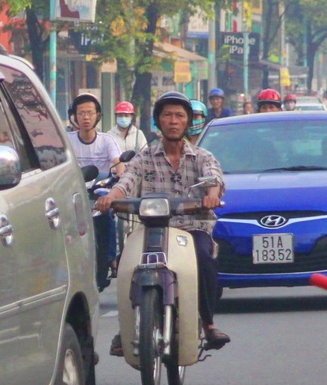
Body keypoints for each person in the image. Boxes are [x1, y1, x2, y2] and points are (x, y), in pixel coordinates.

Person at [96, 91, 229, 350]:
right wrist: (110, 197)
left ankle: (208, 324)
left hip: (192, 229)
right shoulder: (144, 158)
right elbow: (126, 182)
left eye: (179, 116)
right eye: (167, 115)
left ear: (188, 122)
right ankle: (127, 328)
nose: (173, 121)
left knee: (205, 259)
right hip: (151, 229)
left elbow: (213, 179)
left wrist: (212, 195)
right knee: (125, 264)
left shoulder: (202, 156)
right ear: (158, 121)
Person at [68, 91, 123, 292]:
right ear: (74, 116)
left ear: (98, 116)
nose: (86, 117)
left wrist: (119, 173)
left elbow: (118, 163)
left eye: (90, 113)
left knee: (107, 217)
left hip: (100, 192)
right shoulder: (67, 140)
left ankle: (110, 258)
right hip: (74, 193)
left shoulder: (107, 140)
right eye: (81, 113)